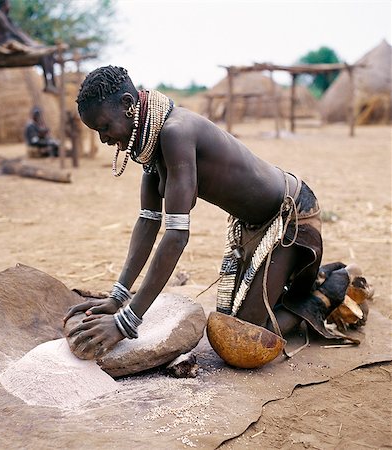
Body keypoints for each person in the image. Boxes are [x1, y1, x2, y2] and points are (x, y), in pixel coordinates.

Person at [64, 66, 323, 356]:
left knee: (244, 341)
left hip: (290, 216)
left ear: (127, 105)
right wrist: (117, 296)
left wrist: (126, 321)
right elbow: (148, 222)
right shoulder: (149, 144)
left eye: (104, 128)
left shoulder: (176, 133)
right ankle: (298, 281)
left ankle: (326, 294)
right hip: (254, 225)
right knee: (229, 320)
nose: (103, 140)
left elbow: (176, 236)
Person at [0, 0, 58, 94]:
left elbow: (17, 31)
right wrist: (30, 43)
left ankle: (52, 84)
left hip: (11, 42)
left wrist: (31, 42)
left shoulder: (5, 17)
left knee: (47, 52)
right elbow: (12, 31)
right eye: (8, 3)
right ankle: (49, 83)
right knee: (42, 52)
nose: (9, 6)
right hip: (5, 45)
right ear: (4, 4)